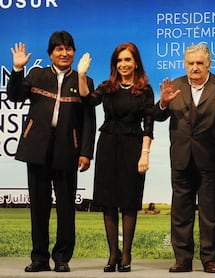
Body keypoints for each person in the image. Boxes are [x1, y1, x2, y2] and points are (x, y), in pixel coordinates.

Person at [6, 31, 96, 272]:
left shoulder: (83, 80)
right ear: (50, 54)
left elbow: (89, 119)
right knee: (39, 205)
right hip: (37, 148)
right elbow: (14, 96)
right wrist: (17, 70)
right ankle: (39, 258)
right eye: (59, 49)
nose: (64, 53)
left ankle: (62, 258)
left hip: (68, 148)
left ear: (74, 53)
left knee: (67, 207)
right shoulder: (36, 75)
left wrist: (86, 151)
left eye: (68, 49)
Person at [152, 43, 215, 274]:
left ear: (209, 64)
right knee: (181, 211)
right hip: (181, 158)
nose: (195, 67)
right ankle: (182, 259)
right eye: (191, 63)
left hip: (212, 158)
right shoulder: (175, 85)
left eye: (200, 63)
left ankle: (210, 259)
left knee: (211, 212)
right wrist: (163, 103)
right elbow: (157, 116)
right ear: (185, 64)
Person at [78, 42, 154, 272]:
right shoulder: (107, 86)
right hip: (108, 145)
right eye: (119, 60)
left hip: (133, 147)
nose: (123, 64)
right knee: (109, 202)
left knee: (129, 202)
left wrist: (145, 154)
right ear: (115, 64)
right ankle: (113, 253)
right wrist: (81, 76)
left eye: (127, 60)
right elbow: (88, 99)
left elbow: (149, 125)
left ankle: (127, 254)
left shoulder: (145, 90)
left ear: (136, 63)